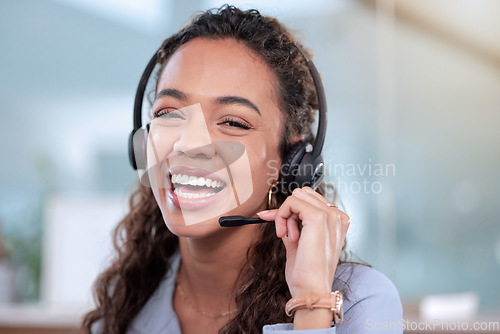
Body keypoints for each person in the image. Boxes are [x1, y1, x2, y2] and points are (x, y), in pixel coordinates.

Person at [82, 5, 402, 334]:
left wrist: (311, 304)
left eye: (233, 122)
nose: (188, 145)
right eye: (169, 114)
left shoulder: (361, 302)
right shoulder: (129, 301)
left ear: (291, 161)